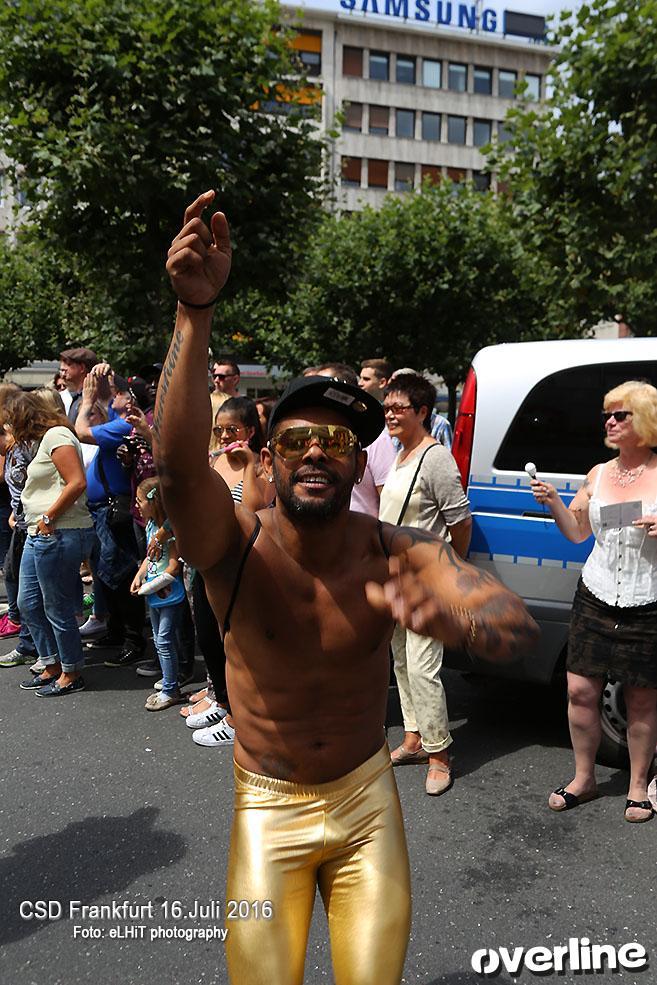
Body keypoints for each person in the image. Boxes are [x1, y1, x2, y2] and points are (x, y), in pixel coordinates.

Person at [154, 191, 538, 985]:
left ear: (358, 462)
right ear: (268, 458)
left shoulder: (393, 550)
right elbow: (180, 469)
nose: (317, 452)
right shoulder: (234, 548)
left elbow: (502, 615)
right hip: (269, 807)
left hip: (366, 806)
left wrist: (468, 616)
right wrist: (194, 313)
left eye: (336, 440)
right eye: (297, 439)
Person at [531, 380, 657, 824]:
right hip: (596, 594)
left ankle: (637, 786)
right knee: (580, 691)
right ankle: (583, 778)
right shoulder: (598, 473)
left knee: (642, 700)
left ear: (646, 419)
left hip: (648, 598)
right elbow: (577, 532)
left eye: (621, 414)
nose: (610, 421)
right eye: (608, 414)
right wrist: (553, 503)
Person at [379, 373, 472, 795]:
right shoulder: (400, 454)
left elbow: (461, 521)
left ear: (421, 412)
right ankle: (414, 737)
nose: (390, 414)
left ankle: (439, 754)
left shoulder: (435, 458)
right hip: (395, 576)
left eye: (398, 408)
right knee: (401, 660)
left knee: (423, 666)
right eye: (387, 407)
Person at [8, 390, 94, 696]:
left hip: (59, 531)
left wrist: (49, 516)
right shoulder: (45, 440)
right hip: (40, 531)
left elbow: (77, 481)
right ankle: (51, 664)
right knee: (27, 603)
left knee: (56, 606)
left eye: (10, 421)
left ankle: (71, 672)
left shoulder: (57, 435)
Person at [75, 366, 145, 667]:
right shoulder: (117, 419)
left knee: (121, 574)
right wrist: (104, 375)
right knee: (107, 574)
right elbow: (108, 396)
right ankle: (116, 631)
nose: (112, 396)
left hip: (112, 508)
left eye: (119, 393)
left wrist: (87, 400)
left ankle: (133, 639)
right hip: (102, 508)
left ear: (130, 400)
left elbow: (80, 430)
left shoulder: (123, 424)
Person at [130, 478, 185, 710]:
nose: (136, 505)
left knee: (164, 639)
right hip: (154, 594)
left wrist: (149, 587)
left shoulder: (169, 534)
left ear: (153, 502)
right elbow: (149, 558)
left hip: (168, 594)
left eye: (140, 501)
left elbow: (173, 567)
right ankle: (168, 678)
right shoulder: (151, 526)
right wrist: (139, 575)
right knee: (158, 637)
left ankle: (171, 689)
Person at [58, 346, 99, 424]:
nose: (63, 369)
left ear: (82, 368)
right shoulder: (71, 397)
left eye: (69, 364)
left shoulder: (96, 396)